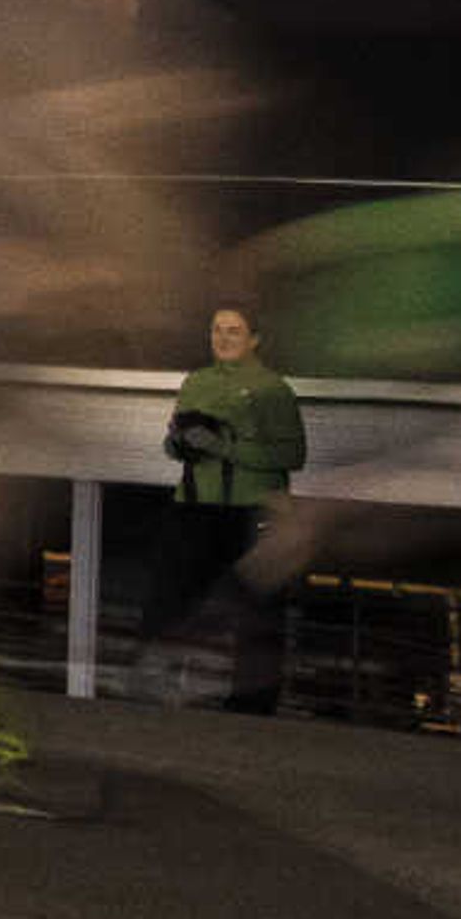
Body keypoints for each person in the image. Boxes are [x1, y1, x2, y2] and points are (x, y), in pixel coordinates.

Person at [143, 303, 307, 714]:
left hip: (253, 512)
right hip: (195, 508)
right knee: (170, 600)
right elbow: (171, 443)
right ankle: (160, 689)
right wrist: (180, 442)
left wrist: (223, 446)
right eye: (216, 329)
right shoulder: (195, 382)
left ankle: (252, 709)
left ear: (254, 339)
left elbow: (294, 454)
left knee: (256, 608)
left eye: (234, 331)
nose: (223, 338)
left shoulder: (274, 389)